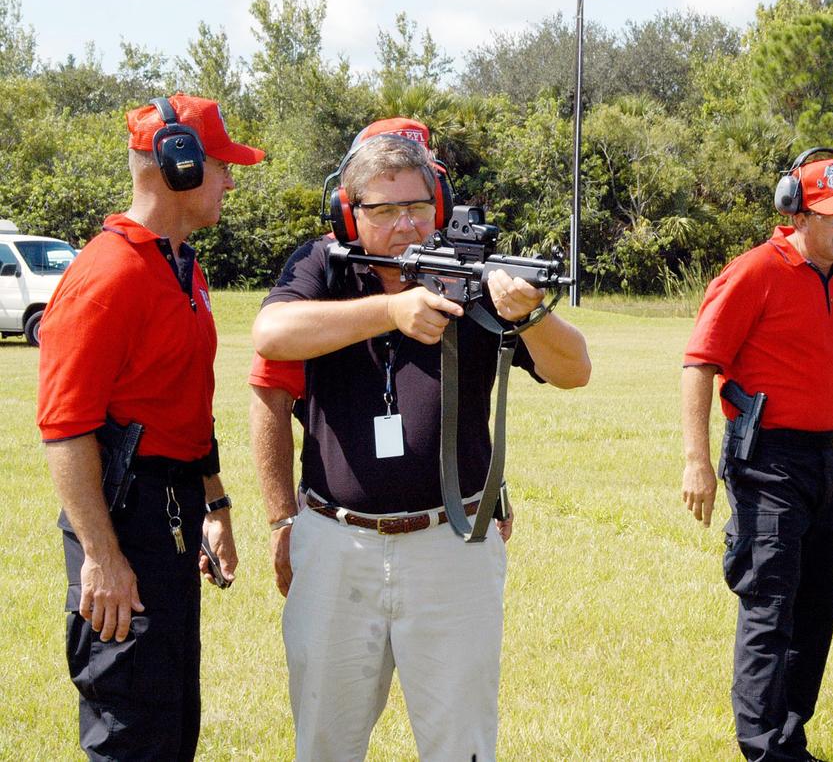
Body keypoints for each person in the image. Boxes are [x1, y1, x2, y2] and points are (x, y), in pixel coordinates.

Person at [251, 117, 591, 761]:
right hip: (335, 538)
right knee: (325, 740)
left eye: (418, 205)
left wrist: (529, 314)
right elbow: (271, 335)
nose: (407, 224)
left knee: (459, 742)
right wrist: (391, 310)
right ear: (350, 214)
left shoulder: (471, 275)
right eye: (386, 209)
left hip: (451, 542)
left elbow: (575, 369)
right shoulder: (323, 264)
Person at [36, 93, 263, 760]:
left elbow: (187, 405)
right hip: (121, 522)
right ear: (181, 166)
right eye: (223, 164)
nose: (229, 179)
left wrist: (214, 502)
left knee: (170, 724)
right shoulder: (106, 276)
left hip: (170, 515)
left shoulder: (180, 269)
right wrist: (103, 559)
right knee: (129, 730)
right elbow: (64, 427)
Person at [681, 148, 833, 762]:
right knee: (770, 605)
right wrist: (696, 460)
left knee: (816, 604)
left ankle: (790, 738)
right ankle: (764, 749)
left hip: (826, 459)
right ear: (796, 212)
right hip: (767, 460)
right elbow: (700, 361)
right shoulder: (753, 272)